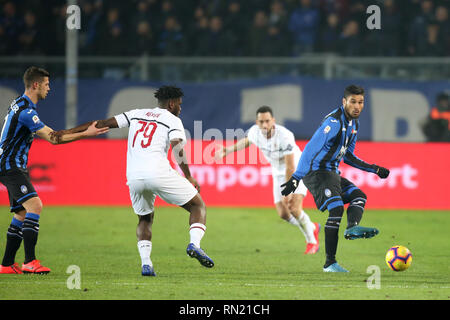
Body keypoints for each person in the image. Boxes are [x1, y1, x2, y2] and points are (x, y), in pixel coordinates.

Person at [53, 86, 214, 276]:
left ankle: (146, 264)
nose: (180, 108)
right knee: (197, 205)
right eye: (179, 104)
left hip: (134, 176)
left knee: (145, 218)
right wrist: (187, 175)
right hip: (158, 172)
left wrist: (67, 131)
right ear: (171, 104)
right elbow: (176, 145)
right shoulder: (173, 120)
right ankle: (194, 244)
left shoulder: (136, 114)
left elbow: (101, 123)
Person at [0, 66, 108, 274]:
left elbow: (56, 133)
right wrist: (87, 134)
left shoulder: (20, 105)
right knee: (35, 205)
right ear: (35, 85)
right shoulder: (26, 112)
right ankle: (29, 262)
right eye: (47, 84)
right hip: (10, 165)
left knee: (22, 212)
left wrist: (85, 128)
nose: (49, 88)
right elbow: (54, 139)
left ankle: (6, 265)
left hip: (11, 164)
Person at [281, 85, 390, 273]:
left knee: (359, 196)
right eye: (353, 102)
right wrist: (296, 177)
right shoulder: (334, 122)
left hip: (331, 172)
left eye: (361, 102)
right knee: (337, 208)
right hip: (317, 172)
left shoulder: (354, 124)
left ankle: (352, 228)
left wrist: (374, 169)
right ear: (344, 102)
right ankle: (329, 263)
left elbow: (347, 156)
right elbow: (310, 148)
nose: (357, 106)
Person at [215, 106, 320, 255]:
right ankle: (312, 227)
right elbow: (247, 141)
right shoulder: (254, 132)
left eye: (267, 121)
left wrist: (288, 190)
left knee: (294, 208)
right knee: (283, 214)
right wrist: (228, 150)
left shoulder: (285, 136)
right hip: (277, 172)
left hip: (297, 170)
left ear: (273, 121)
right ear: (256, 122)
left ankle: (312, 242)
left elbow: (290, 166)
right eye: (261, 122)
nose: (264, 125)